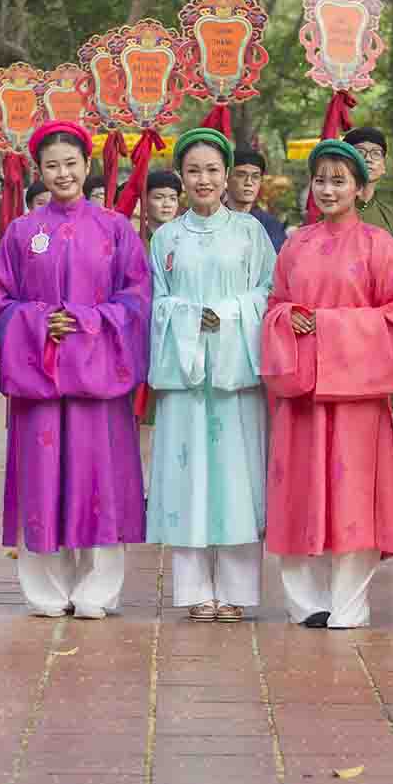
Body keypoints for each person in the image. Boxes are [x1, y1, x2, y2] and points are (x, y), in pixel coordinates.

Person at [0, 120, 150, 618]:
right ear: (38, 170)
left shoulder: (116, 228)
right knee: (41, 481)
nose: (63, 174)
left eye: (71, 163)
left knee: (100, 481)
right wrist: (39, 322)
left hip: (98, 381)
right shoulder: (22, 232)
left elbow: (137, 299)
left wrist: (85, 321)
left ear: (87, 164)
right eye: (52, 166)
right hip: (39, 380)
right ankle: (46, 592)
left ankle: (97, 592)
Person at [261, 139, 393, 629]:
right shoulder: (295, 244)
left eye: (339, 181)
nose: (328, 190)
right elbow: (274, 306)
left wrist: (326, 326)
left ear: (360, 188)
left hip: (357, 398)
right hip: (304, 393)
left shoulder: (381, 247)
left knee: (354, 496)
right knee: (299, 491)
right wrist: (287, 318)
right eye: (320, 180)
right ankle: (305, 602)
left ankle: (350, 603)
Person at [147, 128, 276, 622]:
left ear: (227, 176)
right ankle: (195, 589)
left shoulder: (250, 233)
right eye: (193, 170)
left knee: (237, 477)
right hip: (185, 376)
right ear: (181, 176)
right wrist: (184, 316)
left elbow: (268, 292)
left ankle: (237, 590)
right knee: (188, 478)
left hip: (235, 372)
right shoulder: (166, 238)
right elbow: (155, 302)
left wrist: (229, 313)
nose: (203, 179)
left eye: (212, 170)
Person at [344, 126, 393, 518]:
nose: (369, 158)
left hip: (388, 337)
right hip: (346, 340)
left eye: (376, 153)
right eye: (360, 151)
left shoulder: (392, 217)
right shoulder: (332, 210)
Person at [226, 148, 286, 252]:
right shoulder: (212, 220)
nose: (249, 182)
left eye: (255, 177)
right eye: (241, 175)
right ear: (226, 178)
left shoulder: (270, 225)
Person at [143, 168, 182, 242]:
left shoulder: (188, 240)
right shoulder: (133, 240)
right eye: (159, 198)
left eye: (172, 198)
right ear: (145, 201)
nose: (167, 204)